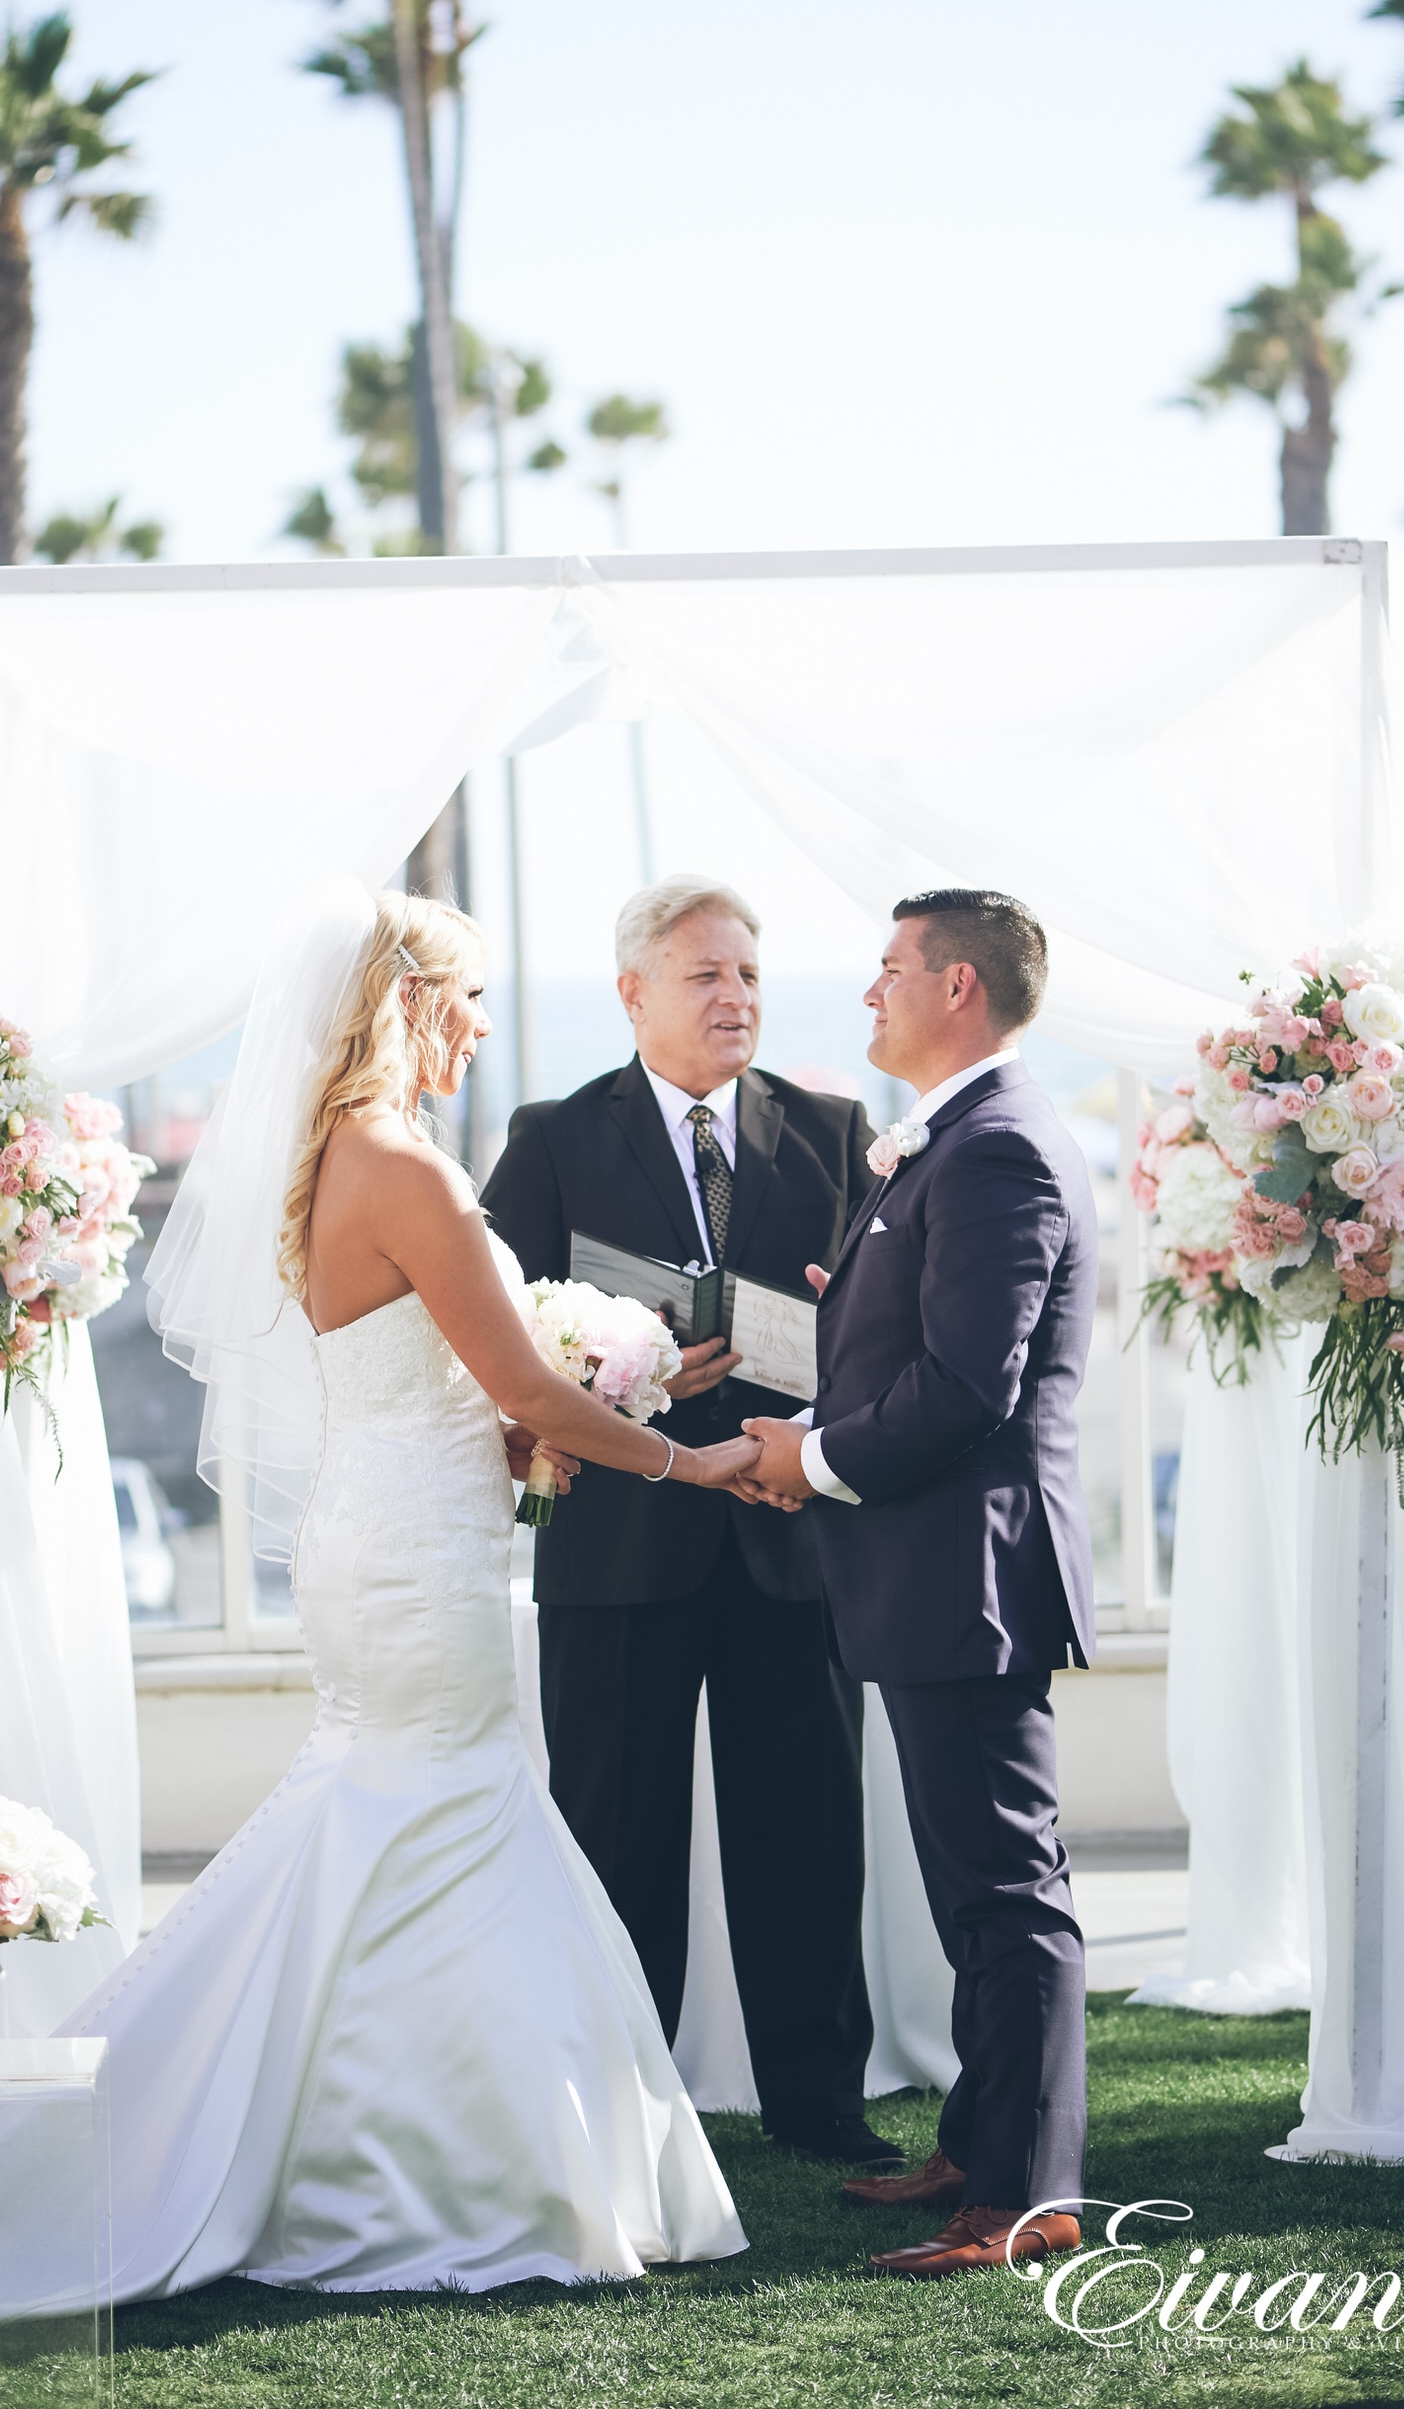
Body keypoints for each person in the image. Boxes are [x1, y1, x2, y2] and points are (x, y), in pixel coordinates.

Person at [0, 887, 756, 2329]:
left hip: (401, 1523)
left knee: (393, 1817)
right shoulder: (405, 1169)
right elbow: (519, 1386)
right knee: (439, 1812)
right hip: (415, 1559)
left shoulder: (336, 1159)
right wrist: (697, 1458)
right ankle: (459, 2177)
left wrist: (597, 1395)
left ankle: (418, 2151)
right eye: (467, 1000)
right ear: (407, 1003)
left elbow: (449, 1381)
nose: (481, 1028)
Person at [484, 875, 896, 2168]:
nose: (735, 999)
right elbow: (498, 1340)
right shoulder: (551, 1137)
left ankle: (820, 2106)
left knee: (808, 1835)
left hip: (791, 1535)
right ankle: (623, 2109)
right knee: (617, 1838)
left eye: (750, 977)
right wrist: (635, 1378)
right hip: (619, 1545)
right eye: (706, 976)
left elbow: (885, 1329)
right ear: (632, 994)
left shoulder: (834, 1132)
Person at [737, 888, 1096, 2278]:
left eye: (889, 968)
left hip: (968, 1574)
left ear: (957, 987)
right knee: (971, 1886)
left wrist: (809, 1455)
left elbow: (965, 1390)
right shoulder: (947, 1144)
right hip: (929, 1571)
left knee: (1007, 1890)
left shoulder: (995, 1147)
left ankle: (1021, 2195)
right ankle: (978, 2135)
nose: (868, 992)